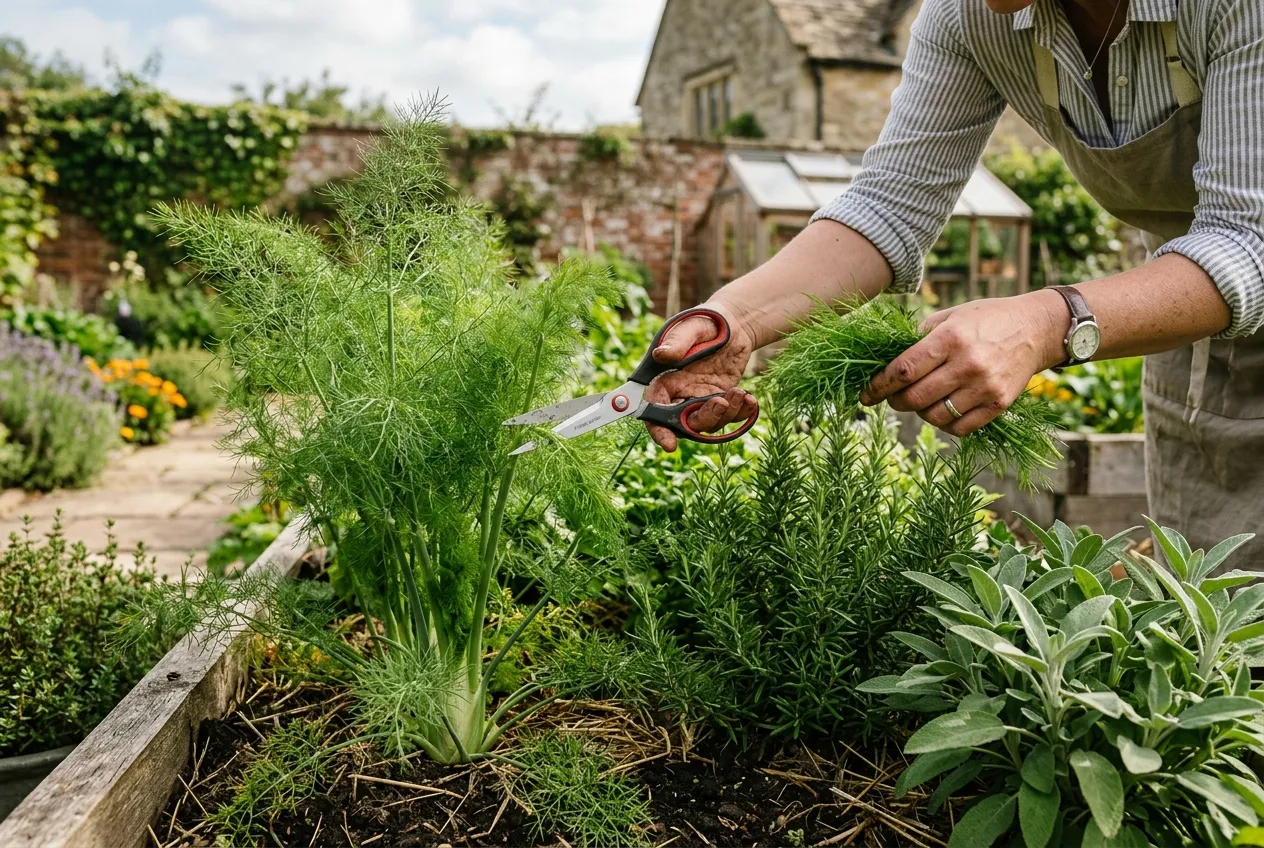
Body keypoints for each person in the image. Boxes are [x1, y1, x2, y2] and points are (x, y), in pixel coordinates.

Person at [644, 0, 1264, 569]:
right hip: (1182, 320)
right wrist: (734, 321)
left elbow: (1249, 240)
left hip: (1215, 281)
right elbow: (888, 205)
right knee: (1212, 626)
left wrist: (1047, 321)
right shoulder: (971, 17)